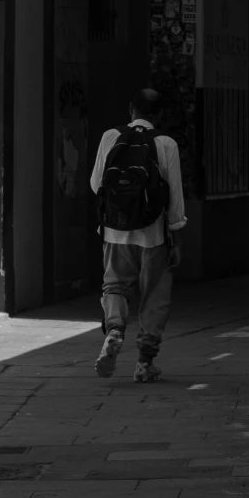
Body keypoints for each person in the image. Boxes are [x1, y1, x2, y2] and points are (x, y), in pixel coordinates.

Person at [89, 88, 186, 381]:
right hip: (153, 234)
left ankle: (115, 328)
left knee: (115, 286)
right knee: (155, 294)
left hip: (114, 233)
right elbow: (175, 199)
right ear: (158, 115)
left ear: (131, 109)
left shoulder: (110, 137)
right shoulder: (165, 144)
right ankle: (144, 362)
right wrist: (176, 236)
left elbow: (96, 184)